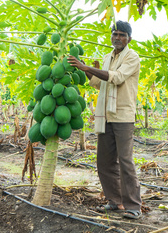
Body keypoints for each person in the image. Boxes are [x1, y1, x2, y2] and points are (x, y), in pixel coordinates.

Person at [68, 20, 142, 220]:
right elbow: (103, 85)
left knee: (125, 161)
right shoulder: (108, 57)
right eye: (115, 34)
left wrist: (89, 68)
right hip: (106, 116)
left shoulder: (132, 57)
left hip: (123, 115)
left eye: (122, 35)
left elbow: (116, 78)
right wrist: (86, 70)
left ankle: (134, 205)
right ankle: (115, 201)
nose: (118, 38)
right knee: (104, 161)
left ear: (129, 38)